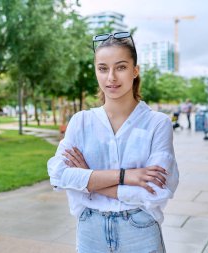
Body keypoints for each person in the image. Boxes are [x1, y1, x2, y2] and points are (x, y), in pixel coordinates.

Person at [47, 31, 179, 253]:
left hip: (139, 231)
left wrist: (88, 179)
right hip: (90, 231)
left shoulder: (158, 124)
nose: (111, 78)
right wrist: (125, 176)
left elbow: (156, 190)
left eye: (121, 67)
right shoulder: (81, 121)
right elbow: (58, 175)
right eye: (103, 68)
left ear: (135, 71)